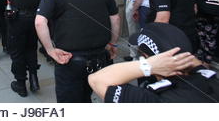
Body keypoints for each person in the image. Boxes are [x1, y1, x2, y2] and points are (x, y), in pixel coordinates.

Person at [35, 0, 120, 103]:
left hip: (70, 61)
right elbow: (115, 18)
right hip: (100, 58)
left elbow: (40, 22)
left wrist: (50, 50)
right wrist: (113, 43)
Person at [89, 22, 219, 103]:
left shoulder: (155, 98)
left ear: (149, 58)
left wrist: (147, 66)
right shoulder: (210, 80)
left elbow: (96, 80)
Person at [1, 0, 42, 97]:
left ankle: (21, 84)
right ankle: (34, 79)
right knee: (31, 48)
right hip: (34, 17)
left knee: (17, 52)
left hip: (17, 19)